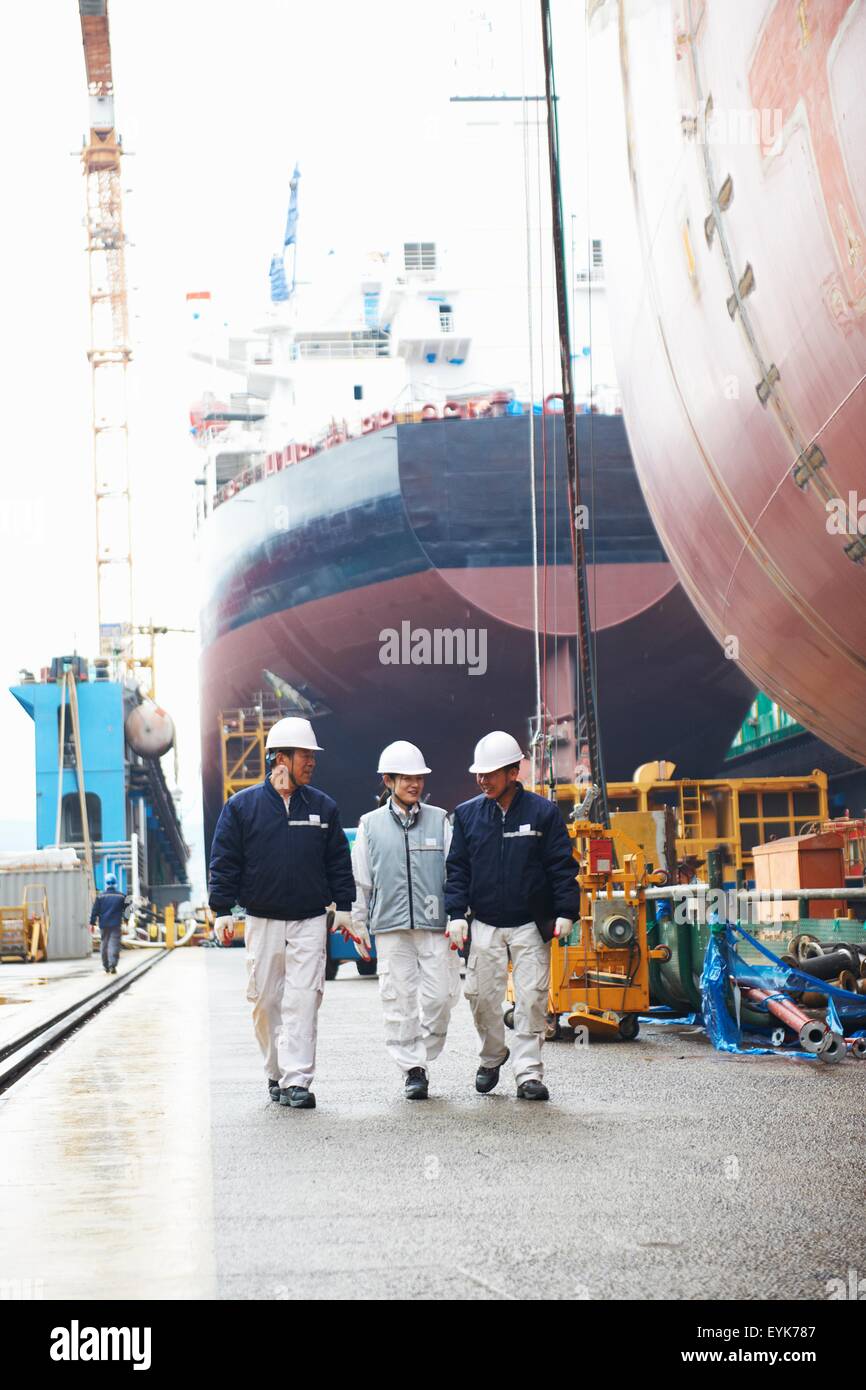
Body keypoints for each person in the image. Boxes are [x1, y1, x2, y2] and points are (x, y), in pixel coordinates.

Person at [208, 716, 359, 1110]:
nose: (311, 762)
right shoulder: (242, 808)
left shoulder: (324, 808)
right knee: (265, 1000)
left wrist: (344, 907)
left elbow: (338, 863)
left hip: (310, 919)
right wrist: (222, 909)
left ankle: (297, 1081)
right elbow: (225, 860)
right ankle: (275, 1071)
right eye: (304, 755)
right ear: (280, 758)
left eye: (312, 756)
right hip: (263, 920)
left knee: (304, 998)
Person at [444, 731, 580, 1102]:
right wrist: (456, 914)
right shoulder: (468, 815)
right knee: (480, 997)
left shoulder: (543, 813)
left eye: (490, 773)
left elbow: (561, 866)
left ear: (513, 771)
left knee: (532, 998)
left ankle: (528, 1074)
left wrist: (566, 911)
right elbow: (457, 870)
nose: (482, 780)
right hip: (484, 923)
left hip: (530, 925)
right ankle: (492, 1056)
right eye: (479, 773)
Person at [350, 741, 460, 1101]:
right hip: (391, 927)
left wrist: (461, 915)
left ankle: (423, 1052)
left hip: (434, 925)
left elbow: (455, 871)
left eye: (419, 777)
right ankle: (413, 1070)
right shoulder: (370, 826)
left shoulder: (439, 819)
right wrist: (357, 923)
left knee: (441, 997)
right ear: (388, 780)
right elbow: (360, 881)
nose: (415, 783)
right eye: (407, 777)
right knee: (397, 999)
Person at [90, 872, 127, 975]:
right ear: (115, 883)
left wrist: (92, 923)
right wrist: (127, 920)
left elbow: (95, 911)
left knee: (104, 944)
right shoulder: (121, 896)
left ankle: (106, 966)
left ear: (106, 883)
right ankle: (112, 965)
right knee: (114, 944)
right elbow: (128, 909)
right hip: (116, 924)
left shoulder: (100, 897)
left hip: (103, 924)